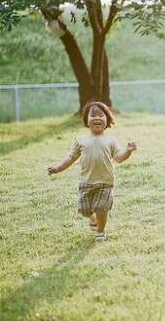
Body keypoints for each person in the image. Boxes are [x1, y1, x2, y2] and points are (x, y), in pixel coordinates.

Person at [47, 101, 137, 241]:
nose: (97, 118)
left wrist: (128, 151)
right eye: (93, 115)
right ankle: (93, 218)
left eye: (101, 115)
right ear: (86, 121)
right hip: (86, 182)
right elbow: (71, 158)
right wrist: (58, 168)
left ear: (107, 120)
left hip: (105, 182)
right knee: (84, 209)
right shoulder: (81, 140)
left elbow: (118, 158)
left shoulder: (111, 140)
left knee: (101, 208)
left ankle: (100, 231)